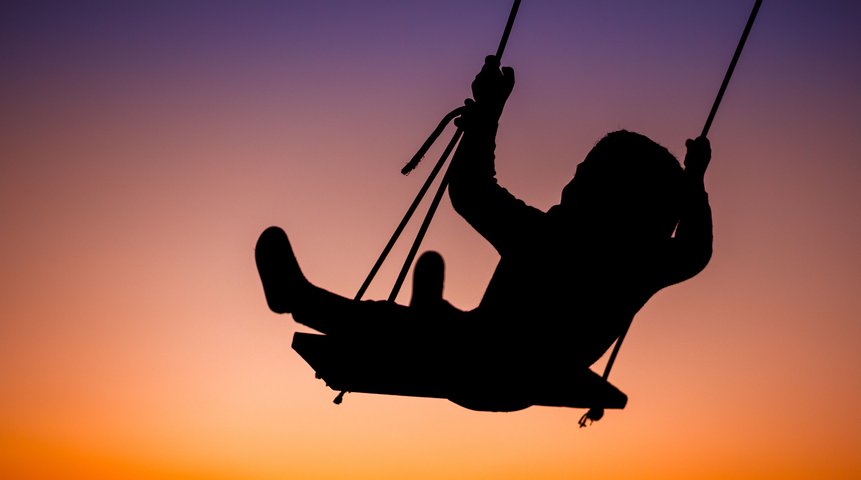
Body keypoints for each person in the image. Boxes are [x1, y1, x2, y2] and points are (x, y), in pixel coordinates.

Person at [255, 56, 712, 404]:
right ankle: (430, 307)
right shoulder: (645, 263)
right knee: (439, 325)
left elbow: (472, 191)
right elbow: (695, 250)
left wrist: (488, 115)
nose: (569, 183)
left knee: (398, 326)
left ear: (605, 201)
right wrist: (694, 185)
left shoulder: (545, 239)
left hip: (478, 367)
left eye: (582, 178)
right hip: (532, 377)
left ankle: (301, 299)